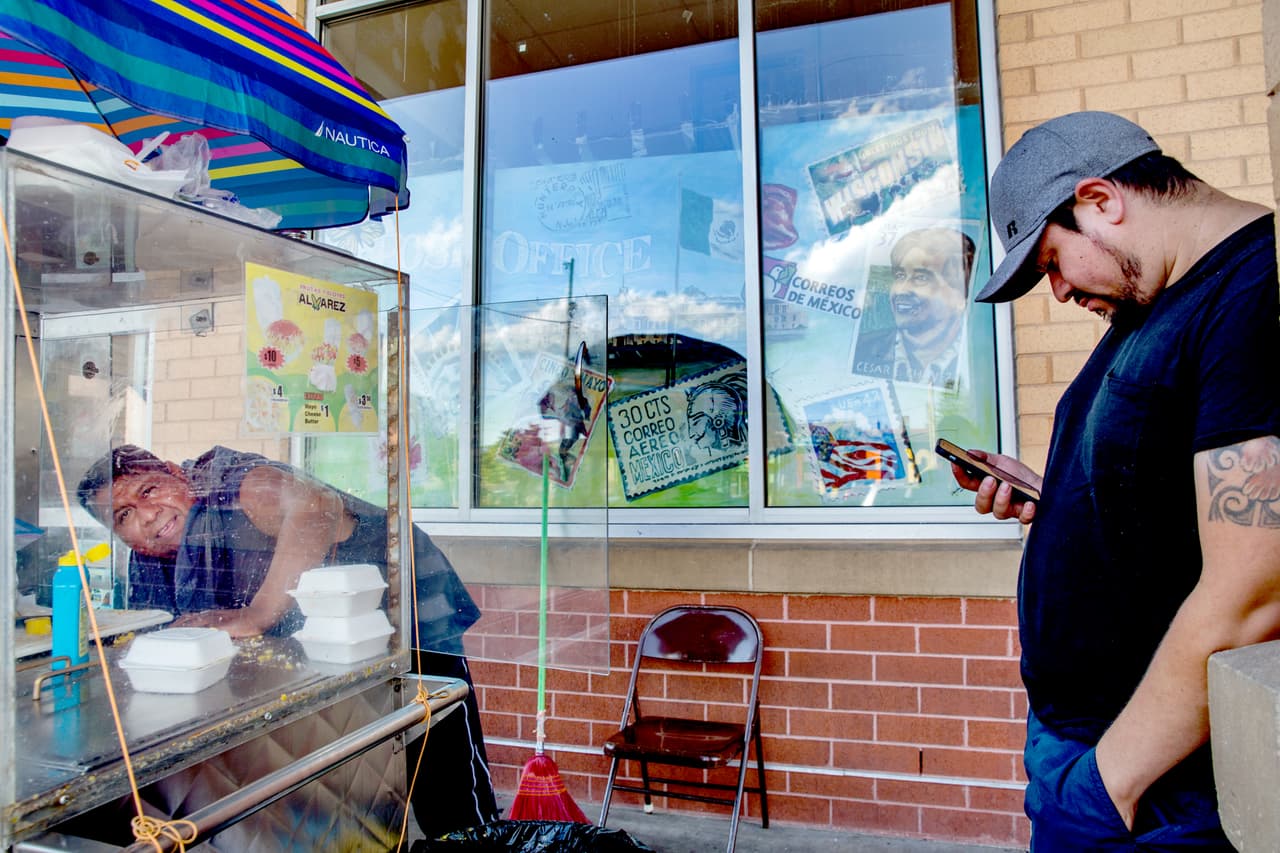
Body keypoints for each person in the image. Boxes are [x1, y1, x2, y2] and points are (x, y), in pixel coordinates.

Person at [951, 111, 1280, 849]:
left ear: (1101, 200)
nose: (1059, 291)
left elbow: (1256, 587)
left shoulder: (1251, 292)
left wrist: (1109, 784)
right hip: (1089, 753)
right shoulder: (1155, 297)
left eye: (1052, 261)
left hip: (1145, 783)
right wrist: (1058, 496)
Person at [76, 444, 499, 836]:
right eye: (124, 515)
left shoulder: (230, 480)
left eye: (150, 490)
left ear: (175, 473)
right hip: (326, 653)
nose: (147, 514)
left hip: (405, 620)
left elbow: (315, 507)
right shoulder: (151, 565)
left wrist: (258, 613)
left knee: (445, 778)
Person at [851, 226, 974, 389]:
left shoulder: (977, 363)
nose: (901, 290)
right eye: (900, 276)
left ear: (958, 297)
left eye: (921, 278)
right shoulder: (862, 351)